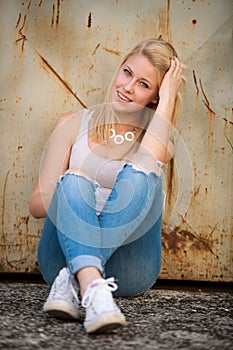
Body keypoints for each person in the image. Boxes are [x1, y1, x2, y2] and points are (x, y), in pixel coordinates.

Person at [29, 38, 184, 333]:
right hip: (59, 258)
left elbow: (147, 161)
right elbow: (36, 206)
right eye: (127, 73)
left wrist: (169, 99)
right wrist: (76, 193)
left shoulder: (161, 141)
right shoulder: (73, 123)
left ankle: (76, 280)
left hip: (129, 269)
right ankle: (92, 287)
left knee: (142, 172)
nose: (127, 87)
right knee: (75, 177)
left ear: (155, 97)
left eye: (143, 84)